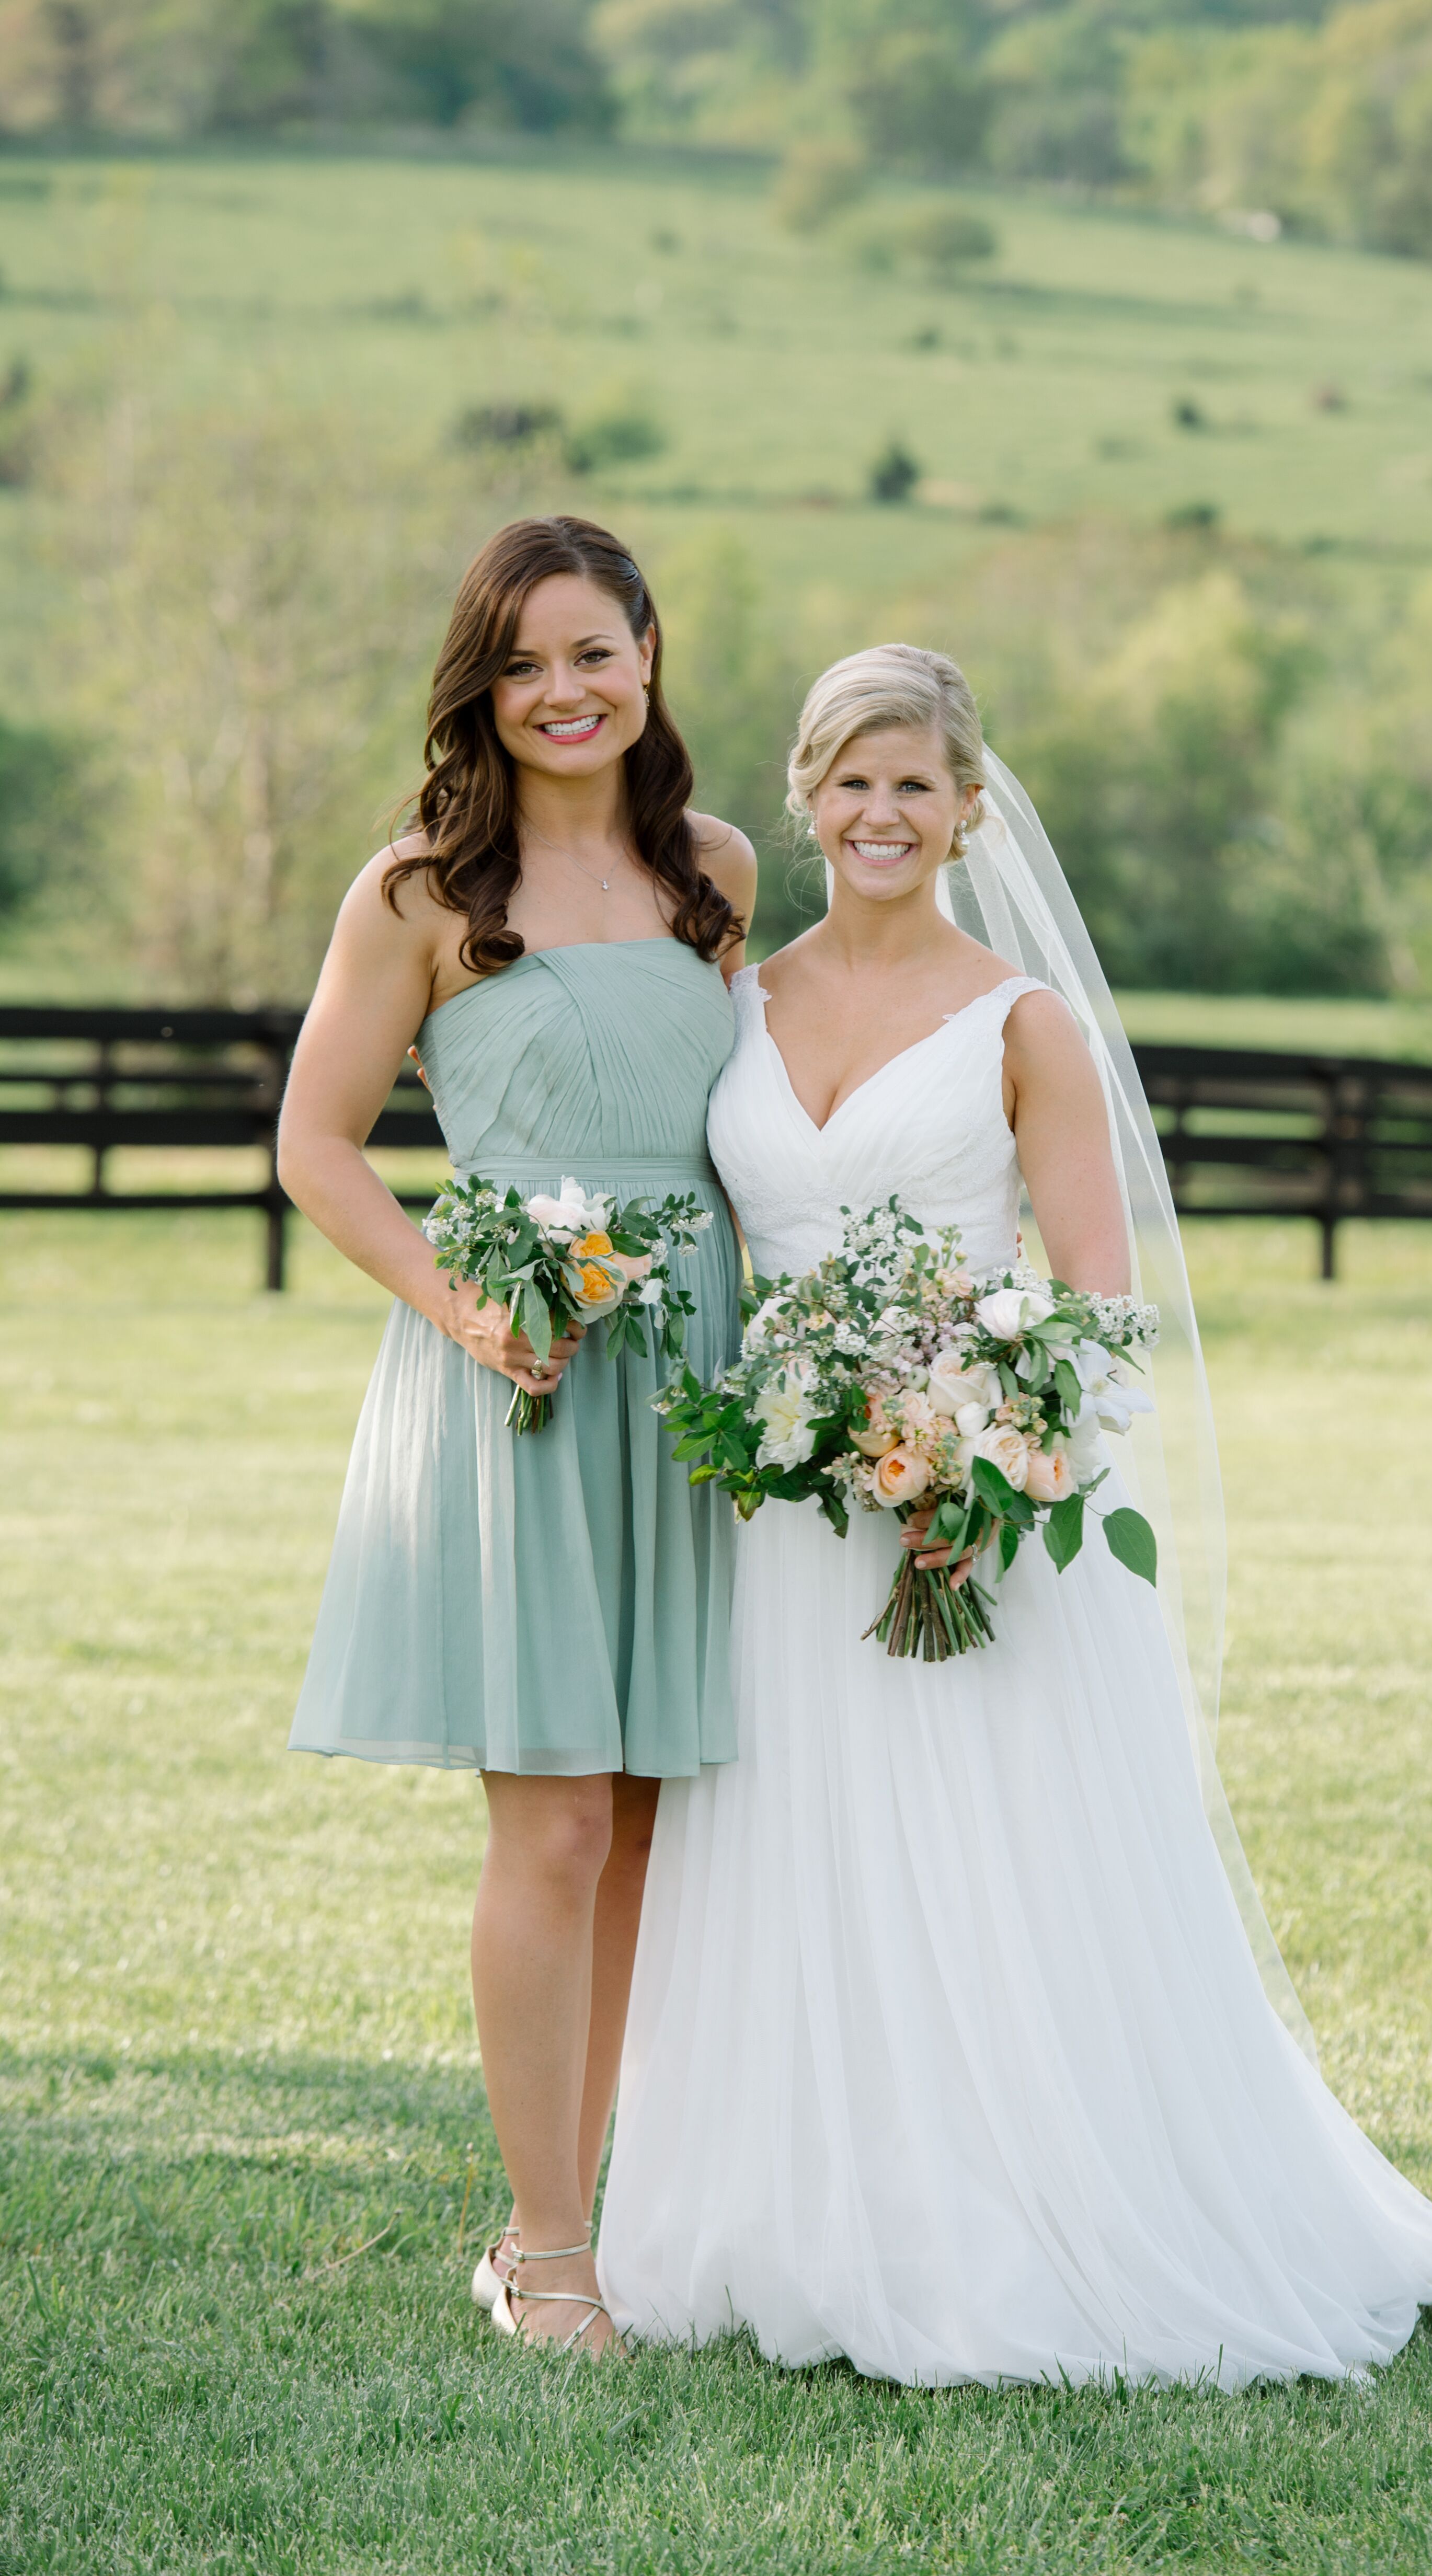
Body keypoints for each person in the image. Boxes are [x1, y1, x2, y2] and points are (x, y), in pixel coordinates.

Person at [595, 643, 1432, 2388]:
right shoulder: (738, 1002)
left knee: (984, 1875)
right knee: (799, 1863)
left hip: (970, 1525)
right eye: (853, 780)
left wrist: (986, 1472)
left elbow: (1095, 1302)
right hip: (780, 1527)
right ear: (805, 793)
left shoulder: (1024, 1025)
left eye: (915, 784)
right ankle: (791, 2210)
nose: (881, 812)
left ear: (968, 809)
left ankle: (1011, 2220)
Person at [278, 515, 753, 2356]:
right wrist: (467, 1306)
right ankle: (546, 2250)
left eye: (595, 654)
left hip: (694, 1378)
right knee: (550, 1825)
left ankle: (592, 2201)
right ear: (482, 684)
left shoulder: (711, 869)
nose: (563, 692)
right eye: (525, 662)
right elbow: (319, 1147)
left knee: (641, 1822)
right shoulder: (417, 892)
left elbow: (742, 1133)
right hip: (522, 1371)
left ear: (648, 654)